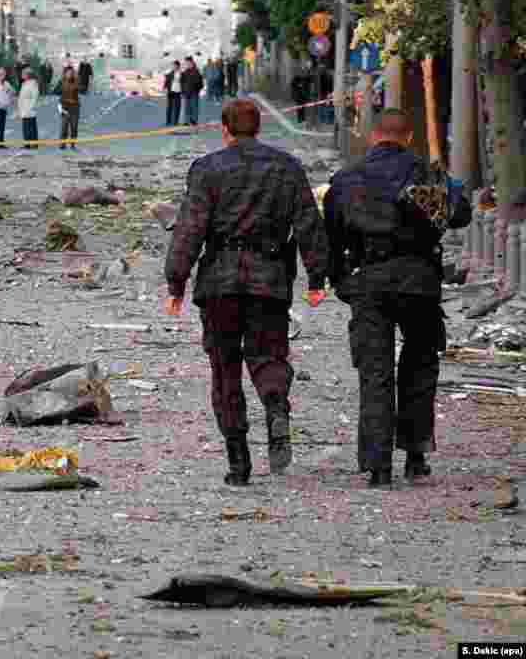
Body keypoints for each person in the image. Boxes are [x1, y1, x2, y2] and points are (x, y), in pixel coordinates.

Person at [163, 98, 330, 486]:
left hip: (219, 284)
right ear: (259, 127)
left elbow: (190, 229)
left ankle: (238, 462)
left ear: (224, 129)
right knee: (269, 354)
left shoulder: (206, 170)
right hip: (269, 282)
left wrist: (176, 281)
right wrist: (318, 279)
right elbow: (309, 224)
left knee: (225, 369)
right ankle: (275, 406)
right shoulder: (286, 168)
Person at [322, 109, 472, 487]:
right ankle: (416, 453)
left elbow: (331, 237)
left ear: (373, 137)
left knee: (375, 372)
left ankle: (377, 466)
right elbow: (461, 214)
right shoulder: (429, 174)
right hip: (419, 280)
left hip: (369, 281)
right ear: (407, 137)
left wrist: (340, 280)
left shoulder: (346, 179)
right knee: (420, 365)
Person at [17, 67, 40, 150]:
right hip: (24, 107)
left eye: (23, 74)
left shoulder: (33, 83)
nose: (21, 75)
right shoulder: (24, 83)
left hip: (29, 108)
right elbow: (21, 96)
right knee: (25, 127)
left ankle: (34, 144)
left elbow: (35, 96)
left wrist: (31, 107)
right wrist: (20, 108)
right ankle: (27, 143)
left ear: (28, 75)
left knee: (31, 127)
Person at [58, 66, 80, 150]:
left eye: (71, 73)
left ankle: (72, 144)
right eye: (68, 72)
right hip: (64, 107)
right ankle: (62, 144)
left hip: (74, 107)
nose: (69, 74)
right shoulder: (62, 82)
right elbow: (57, 93)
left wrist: (76, 78)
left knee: (74, 127)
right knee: (64, 127)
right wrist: (60, 107)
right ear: (65, 73)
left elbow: (79, 87)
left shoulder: (76, 81)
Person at [181, 57, 204, 126]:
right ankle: (187, 120)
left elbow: (200, 83)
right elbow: (182, 82)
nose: (187, 64)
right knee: (187, 107)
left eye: (189, 63)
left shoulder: (196, 71)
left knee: (194, 107)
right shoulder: (185, 72)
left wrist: (197, 89)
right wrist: (183, 91)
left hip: (194, 92)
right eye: (186, 63)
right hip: (186, 92)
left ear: (192, 63)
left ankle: (194, 120)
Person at [164, 60, 184, 126]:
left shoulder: (182, 74)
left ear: (178, 66)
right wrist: (165, 88)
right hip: (171, 92)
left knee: (177, 107)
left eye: (175, 65)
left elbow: (184, 82)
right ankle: (168, 121)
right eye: (173, 65)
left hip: (178, 92)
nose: (174, 67)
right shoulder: (170, 73)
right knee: (169, 107)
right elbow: (167, 81)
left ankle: (175, 121)